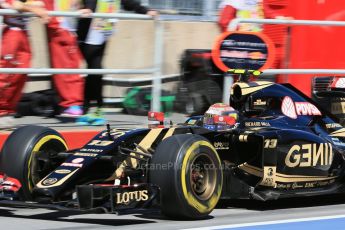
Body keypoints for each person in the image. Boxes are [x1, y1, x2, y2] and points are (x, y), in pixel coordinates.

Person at [76, 0, 158, 126]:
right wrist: (88, 8)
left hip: (102, 34)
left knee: (93, 71)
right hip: (88, 36)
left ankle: (86, 109)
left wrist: (146, 10)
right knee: (96, 70)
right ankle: (97, 107)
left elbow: (129, 3)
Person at [0, 0, 49, 128]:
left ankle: (7, 112)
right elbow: (14, 5)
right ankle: (2, 112)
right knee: (6, 75)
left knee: (21, 73)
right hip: (9, 32)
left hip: (22, 33)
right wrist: (33, 9)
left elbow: (38, 4)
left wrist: (33, 6)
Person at [42, 0, 85, 117]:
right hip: (61, 28)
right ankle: (71, 104)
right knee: (64, 69)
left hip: (62, 29)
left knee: (67, 69)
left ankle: (73, 105)